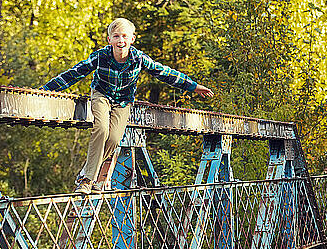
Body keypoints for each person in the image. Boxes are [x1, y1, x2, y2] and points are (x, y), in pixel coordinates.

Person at [41, 18, 214, 194]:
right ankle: (87, 180)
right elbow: (74, 74)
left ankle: (88, 171)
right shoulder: (101, 56)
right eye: (116, 36)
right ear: (110, 40)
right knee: (101, 128)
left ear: (132, 39)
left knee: (114, 138)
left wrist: (193, 86)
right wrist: (46, 90)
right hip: (101, 95)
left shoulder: (138, 58)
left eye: (124, 36)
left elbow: (165, 73)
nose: (120, 40)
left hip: (124, 101)